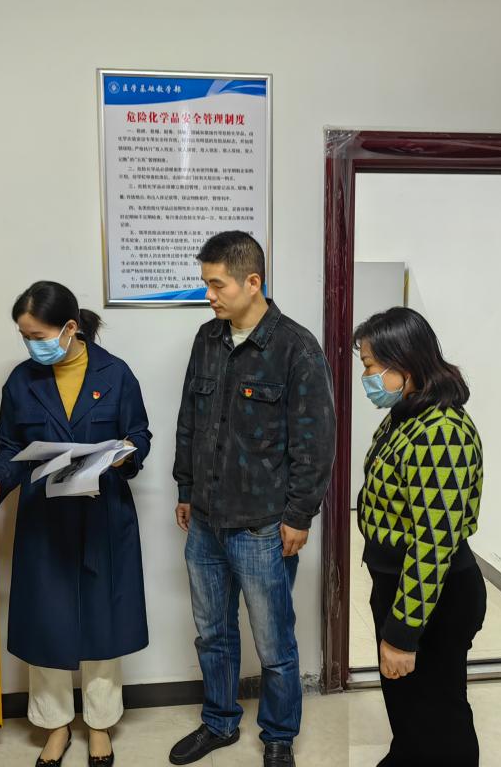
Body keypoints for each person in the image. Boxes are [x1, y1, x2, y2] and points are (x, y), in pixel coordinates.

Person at [169, 231, 336, 767]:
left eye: (216, 284)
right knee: (212, 634)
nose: (208, 295)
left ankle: (279, 736)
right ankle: (219, 722)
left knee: (274, 644)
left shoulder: (295, 348)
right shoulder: (207, 339)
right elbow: (190, 421)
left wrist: (299, 515)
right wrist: (185, 488)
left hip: (263, 526)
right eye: (206, 284)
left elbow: (316, 441)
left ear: (252, 282)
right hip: (205, 521)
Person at [0, 281, 152, 767]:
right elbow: (10, 447)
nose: (32, 344)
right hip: (45, 519)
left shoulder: (115, 374)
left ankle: (100, 725)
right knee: (46, 624)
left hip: (102, 515)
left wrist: (125, 454)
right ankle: (54, 726)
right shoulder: (21, 381)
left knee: (103, 623)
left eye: (38, 335)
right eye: (25, 336)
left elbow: (139, 434)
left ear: (70, 328)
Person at [353, 307, 487, 767]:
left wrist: (404, 634)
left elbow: (433, 546)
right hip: (400, 586)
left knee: (440, 715)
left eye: (371, 365)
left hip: (434, 595)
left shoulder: (442, 432)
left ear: (403, 364)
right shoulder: (408, 415)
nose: (366, 377)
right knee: (409, 706)